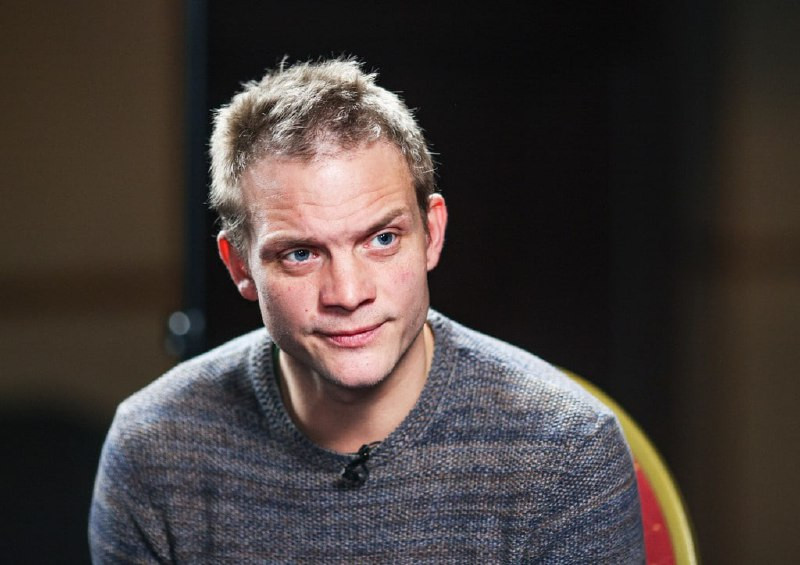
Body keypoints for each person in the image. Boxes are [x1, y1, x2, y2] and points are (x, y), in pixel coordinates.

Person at [89, 58, 644, 563]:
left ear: (432, 235)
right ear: (239, 266)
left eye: (382, 239)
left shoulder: (566, 449)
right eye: (300, 254)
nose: (349, 293)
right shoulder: (155, 449)